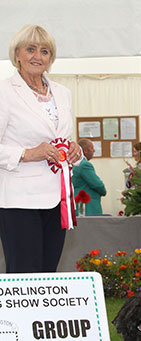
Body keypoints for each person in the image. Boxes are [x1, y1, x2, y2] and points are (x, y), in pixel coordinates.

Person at [0, 25, 82, 273]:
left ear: (51, 59)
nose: (38, 56)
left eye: (45, 51)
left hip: (58, 198)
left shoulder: (63, 93)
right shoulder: (3, 92)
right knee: (25, 274)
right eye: (31, 49)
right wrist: (26, 154)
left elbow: (61, 138)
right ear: (17, 55)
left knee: (48, 272)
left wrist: (74, 149)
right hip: (18, 200)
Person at [72, 138, 107, 215]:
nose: (93, 151)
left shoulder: (75, 163)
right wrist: (104, 191)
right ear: (85, 150)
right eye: (92, 148)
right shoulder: (85, 165)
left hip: (78, 204)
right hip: (88, 207)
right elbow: (97, 184)